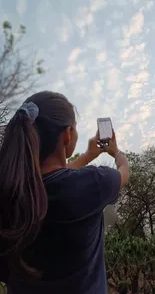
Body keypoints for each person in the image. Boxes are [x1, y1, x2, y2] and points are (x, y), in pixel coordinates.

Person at [0, 91, 129, 294]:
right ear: (68, 135)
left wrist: (87, 156)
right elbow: (124, 172)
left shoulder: (9, 193)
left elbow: (51, 178)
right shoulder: (93, 183)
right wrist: (116, 152)